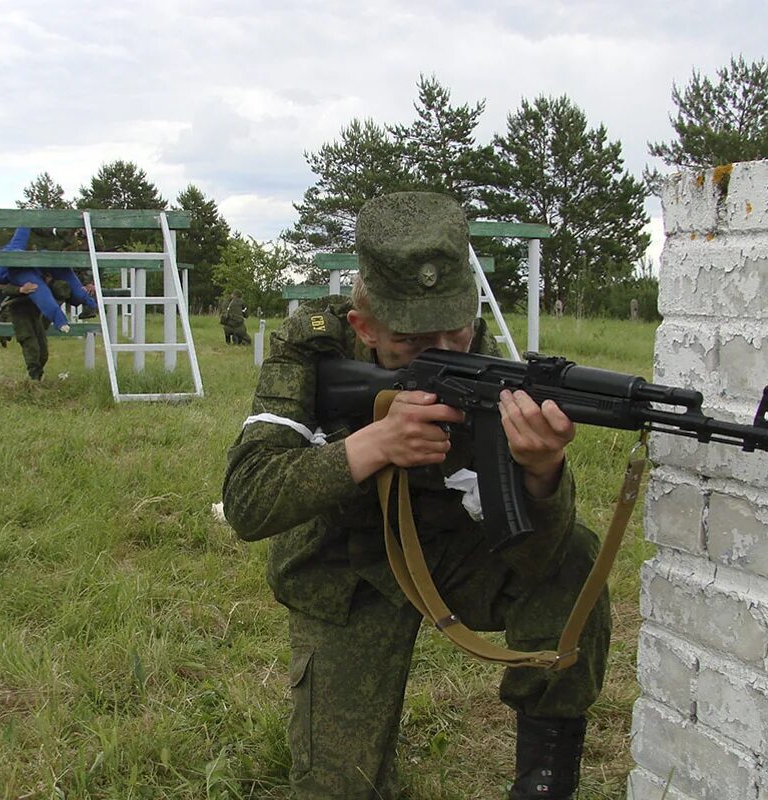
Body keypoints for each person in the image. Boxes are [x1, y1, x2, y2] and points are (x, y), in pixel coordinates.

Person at [222, 192, 609, 800]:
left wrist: (541, 474)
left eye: (454, 334)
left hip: (447, 552)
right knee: (341, 789)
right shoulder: (314, 353)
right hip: (343, 573)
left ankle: (546, 777)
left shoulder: (481, 364)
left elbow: (538, 557)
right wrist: (375, 444)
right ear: (363, 326)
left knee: (575, 557)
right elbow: (247, 499)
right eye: (410, 342)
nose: (442, 354)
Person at [0, 227, 97, 332]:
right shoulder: (13, 254)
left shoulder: (4, 269)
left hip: (14, 267)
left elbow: (41, 294)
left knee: (38, 288)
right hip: (22, 261)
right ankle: (88, 303)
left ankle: (63, 318)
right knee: (51, 275)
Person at [0, 274, 75, 381]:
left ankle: (37, 377)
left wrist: (49, 281)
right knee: (30, 344)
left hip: (38, 310)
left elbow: (63, 289)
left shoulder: (46, 269)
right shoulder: (16, 268)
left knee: (43, 352)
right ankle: (34, 378)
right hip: (19, 308)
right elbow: (3, 288)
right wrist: (20, 289)